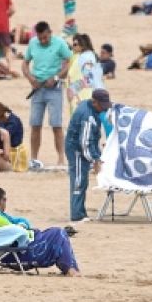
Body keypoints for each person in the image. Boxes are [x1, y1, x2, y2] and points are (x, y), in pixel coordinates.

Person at [0, 186, 81, 275]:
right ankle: (70, 269)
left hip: (15, 250)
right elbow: (21, 232)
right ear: (0, 201)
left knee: (57, 233)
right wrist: (23, 227)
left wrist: (22, 226)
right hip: (18, 254)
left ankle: (70, 268)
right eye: (5, 199)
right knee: (58, 233)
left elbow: (21, 222)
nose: (5, 202)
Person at [23, 21, 73, 166]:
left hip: (54, 88)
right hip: (37, 88)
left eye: (45, 37)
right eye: (40, 38)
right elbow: (25, 63)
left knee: (56, 124)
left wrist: (57, 77)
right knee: (35, 124)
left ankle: (61, 158)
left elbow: (70, 61)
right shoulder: (33, 43)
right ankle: (34, 158)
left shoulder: (59, 43)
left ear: (50, 32)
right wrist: (30, 78)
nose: (43, 41)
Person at [64, 89, 110, 223]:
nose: (104, 108)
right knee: (79, 180)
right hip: (76, 150)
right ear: (94, 102)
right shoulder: (87, 116)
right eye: (102, 105)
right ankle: (77, 214)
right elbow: (84, 143)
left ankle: (80, 211)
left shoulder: (92, 108)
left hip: (86, 145)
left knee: (82, 179)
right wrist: (95, 160)